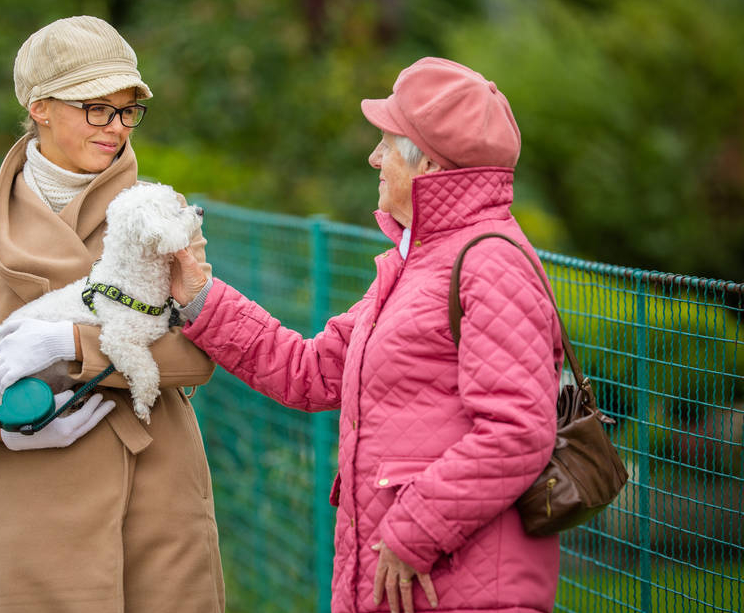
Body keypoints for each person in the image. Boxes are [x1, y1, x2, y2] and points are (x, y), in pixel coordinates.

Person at [172, 58, 563, 613]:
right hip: (418, 583)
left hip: (460, 587)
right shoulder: (418, 264)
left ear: (428, 159)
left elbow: (518, 431)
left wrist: (414, 531)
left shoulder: (489, 263)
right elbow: (311, 371)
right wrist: (199, 295)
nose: (373, 158)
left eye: (386, 142)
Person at [0, 16, 224, 613]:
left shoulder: (154, 215)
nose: (116, 128)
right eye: (96, 108)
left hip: (157, 501)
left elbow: (199, 356)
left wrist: (73, 343)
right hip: (31, 506)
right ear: (39, 107)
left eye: (126, 111)